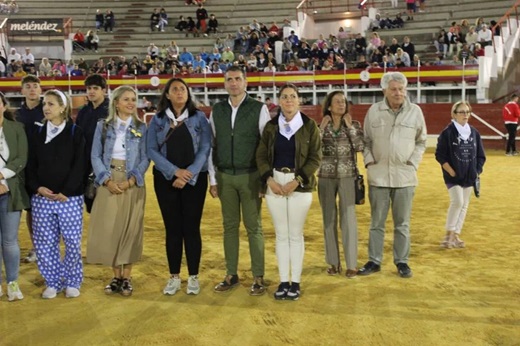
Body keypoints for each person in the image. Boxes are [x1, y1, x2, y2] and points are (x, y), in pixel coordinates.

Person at [209, 66, 271, 295]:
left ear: (245, 82)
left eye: (237, 79)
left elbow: (266, 146)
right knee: (229, 227)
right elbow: (212, 146)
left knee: (254, 227)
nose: (233, 83)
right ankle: (231, 273)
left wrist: (265, 179)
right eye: (229, 79)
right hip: (225, 177)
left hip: (251, 177)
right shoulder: (217, 110)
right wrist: (213, 178)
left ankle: (258, 276)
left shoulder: (259, 108)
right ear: (224, 83)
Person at [358, 72, 427, 278]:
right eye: (394, 89)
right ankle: (374, 260)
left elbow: (421, 141)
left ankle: (402, 261)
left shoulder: (415, 112)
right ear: (385, 91)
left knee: (402, 223)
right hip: (378, 176)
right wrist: (369, 161)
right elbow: (366, 140)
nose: (398, 93)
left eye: (401, 89)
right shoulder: (374, 111)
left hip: (405, 178)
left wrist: (413, 163)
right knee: (376, 222)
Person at [256, 84, 321, 300]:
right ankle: (284, 280)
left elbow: (315, 158)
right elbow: (261, 155)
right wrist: (268, 179)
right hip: (275, 182)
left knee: (295, 234)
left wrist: (298, 180)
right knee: (281, 235)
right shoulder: (271, 126)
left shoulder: (310, 125)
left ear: (299, 100)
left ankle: (296, 282)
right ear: (279, 101)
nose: (289, 100)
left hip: (299, 184)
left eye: (293, 96)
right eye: (284, 97)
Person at [147, 78, 211, 296]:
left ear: (188, 93)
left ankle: (193, 276)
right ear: (167, 95)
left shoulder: (199, 117)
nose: (179, 92)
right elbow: (151, 150)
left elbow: (205, 148)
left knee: (192, 229)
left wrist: (188, 173)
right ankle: (174, 276)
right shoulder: (157, 120)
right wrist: (175, 172)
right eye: (174, 89)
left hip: (194, 180)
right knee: (172, 229)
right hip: (166, 180)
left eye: (182, 89)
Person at [86, 86, 149, 297]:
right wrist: (105, 179)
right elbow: (95, 155)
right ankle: (116, 276)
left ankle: (127, 277)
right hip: (109, 181)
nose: (131, 103)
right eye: (126, 99)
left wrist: (131, 181)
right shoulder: (103, 127)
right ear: (116, 103)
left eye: (133, 99)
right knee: (111, 229)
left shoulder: (142, 126)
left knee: (131, 229)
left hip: (132, 182)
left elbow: (145, 158)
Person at [26, 90, 87, 299]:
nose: (46, 107)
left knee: (71, 241)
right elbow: (31, 166)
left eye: (51, 104)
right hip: (42, 199)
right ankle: (52, 281)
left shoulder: (75, 133)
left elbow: (80, 165)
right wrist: (37, 188)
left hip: (69, 198)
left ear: (63, 107)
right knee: (45, 242)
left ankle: (72, 281)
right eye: (45, 104)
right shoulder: (37, 134)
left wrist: (66, 191)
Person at [317, 91, 364, 279]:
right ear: (329, 106)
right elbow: (313, 150)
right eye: (337, 102)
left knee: (349, 219)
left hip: (347, 176)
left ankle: (351, 264)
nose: (341, 104)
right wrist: (321, 129)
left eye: (343, 101)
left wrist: (349, 127)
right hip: (325, 177)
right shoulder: (320, 127)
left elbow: (360, 146)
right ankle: (334, 263)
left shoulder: (354, 125)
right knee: (328, 219)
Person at [435, 101, 485, 248]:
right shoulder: (447, 133)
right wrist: (451, 171)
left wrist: (476, 171)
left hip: (469, 175)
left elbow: (481, 156)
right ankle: (448, 235)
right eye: (462, 112)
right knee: (458, 202)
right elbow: (440, 155)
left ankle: (456, 235)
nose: (465, 115)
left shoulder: (474, 133)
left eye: (467, 112)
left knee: (464, 205)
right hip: (453, 176)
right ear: (454, 114)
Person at [0, 92, 29, 301]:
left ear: (4, 105)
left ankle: (12, 282)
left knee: (9, 241)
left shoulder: (17, 128)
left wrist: (2, 178)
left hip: (9, 191)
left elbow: (21, 158)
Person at [16, 75, 43, 264]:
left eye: (35, 86)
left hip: (45, 169)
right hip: (22, 170)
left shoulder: (49, 110)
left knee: (47, 210)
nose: (32, 89)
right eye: (28, 86)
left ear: (40, 90)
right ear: (22, 91)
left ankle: (47, 247)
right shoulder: (16, 115)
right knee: (30, 211)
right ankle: (35, 247)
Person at [75, 74, 109, 212]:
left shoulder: (111, 111)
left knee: (106, 205)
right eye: (89, 88)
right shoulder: (83, 112)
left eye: (95, 88)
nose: (91, 91)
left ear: (104, 90)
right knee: (90, 203)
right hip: (85, 164)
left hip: (105, 164)